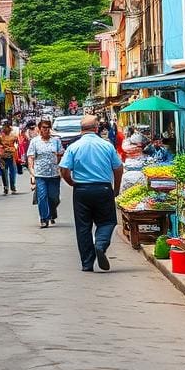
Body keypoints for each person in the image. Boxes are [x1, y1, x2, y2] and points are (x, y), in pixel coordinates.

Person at [59, 115, 124, 272]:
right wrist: (116, 188)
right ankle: (100, 244)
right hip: (102, 188)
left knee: (83, 227)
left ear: (81, 129)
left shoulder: (74, 147)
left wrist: (72, 183)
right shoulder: (107, 146)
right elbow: (118, 168)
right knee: (108, 222)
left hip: (81, 190)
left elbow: (64, 170)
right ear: (96, 129)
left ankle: (87, 263)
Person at [27, 118, 64, 228]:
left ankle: (52, 212)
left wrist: (58, 155)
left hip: (54, 174)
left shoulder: (56, 141)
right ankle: (44, 218)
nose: (46, 130)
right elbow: (30, 157)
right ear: (39, 129)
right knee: (42, 196)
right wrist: (32, 171)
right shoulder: (35, 141)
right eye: (44, 128)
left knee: (54, 197)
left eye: (48, 128)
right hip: (40, 174)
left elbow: (61, 154)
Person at [0, 120, 19, 195]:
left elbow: (17, 146)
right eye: (3, 127)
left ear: (9, 128)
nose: (4, 129)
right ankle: (6, 188)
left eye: (5, 127)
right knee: (4, 172)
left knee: (12, 172)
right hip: (3, 157)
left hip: (11, 156)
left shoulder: (14, 137)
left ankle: (12, 187)